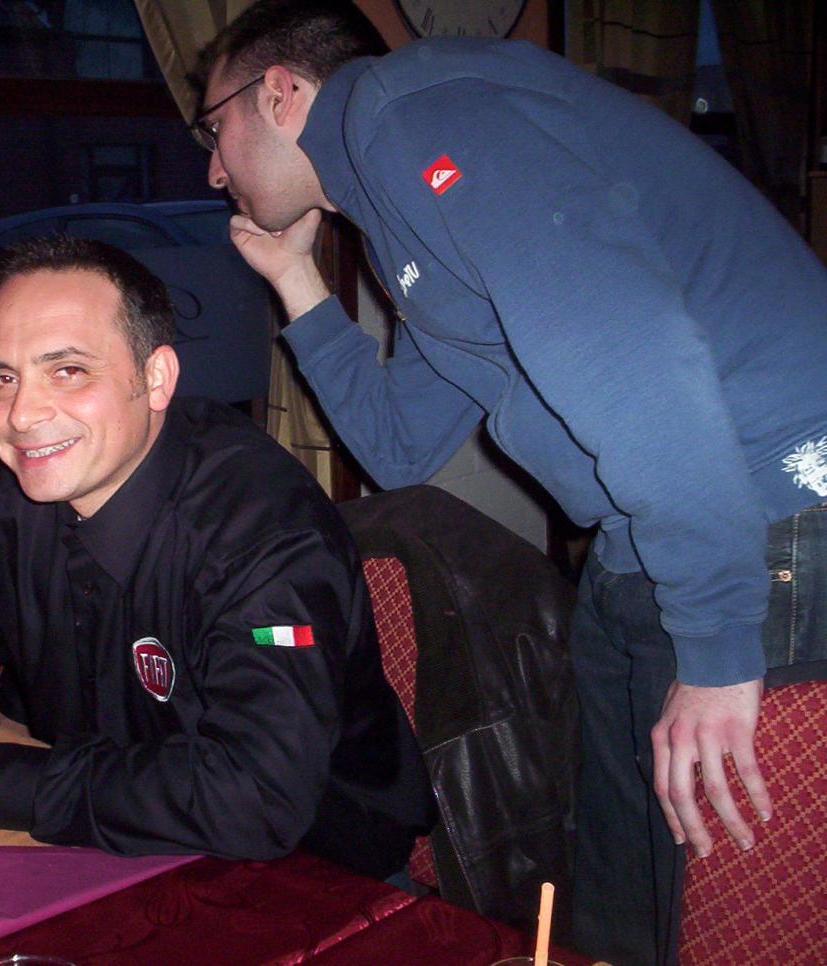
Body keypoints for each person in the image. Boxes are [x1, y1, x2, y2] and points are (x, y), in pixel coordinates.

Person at [192, 2, 827, 963]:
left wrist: (715, 642)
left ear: (280, 93)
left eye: (214, 129)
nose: (213, 171)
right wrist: (295, 279)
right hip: (646, 540)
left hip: (769, 512)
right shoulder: (398, 203)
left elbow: (630, 355)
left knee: (730, 925)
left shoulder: (416, 113)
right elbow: (401, 444)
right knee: (618, 917)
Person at [0, 235, 432, 877]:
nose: (20, 415)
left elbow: (259, 795)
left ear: (156, 379)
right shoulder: (6, 502)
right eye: (3, 379)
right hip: (99, 837)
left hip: (315, 873)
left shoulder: (263, 530)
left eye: (68, 371)